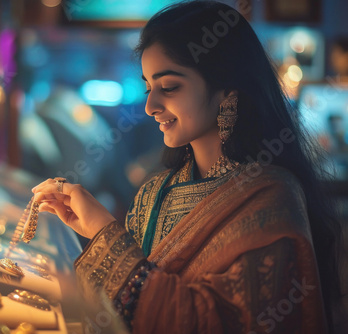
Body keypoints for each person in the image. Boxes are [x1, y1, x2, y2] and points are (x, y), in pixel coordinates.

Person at [32, 1, 342, 333]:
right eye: (149, 88)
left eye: (169, 87)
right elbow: (115, 311)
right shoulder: (154, 193)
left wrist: (105, 234)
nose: (151, 106)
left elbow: (213, 323)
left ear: (227, 91)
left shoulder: (270, 199)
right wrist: (92, 239)